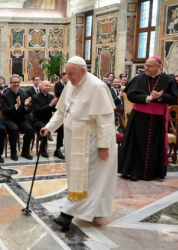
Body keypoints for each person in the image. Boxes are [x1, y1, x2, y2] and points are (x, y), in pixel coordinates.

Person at [40, 56, 117, 229]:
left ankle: (67, 213)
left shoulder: (97, 86)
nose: (68, 77)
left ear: (83, 71)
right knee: (77, 177)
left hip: (91, 141)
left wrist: (104, 146)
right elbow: (61, 112)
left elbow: (105, 120)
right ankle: (94, 212)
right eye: (67, 74)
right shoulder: (70, 85)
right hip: (73, 139)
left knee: (89, 178)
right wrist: (49, 127)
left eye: (71, 74)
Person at [118, 56, 178, 181]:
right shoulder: (138, 78)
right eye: (145, 65)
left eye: (149, 66)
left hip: (157, 119)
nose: (146, 68)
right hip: (139, 117)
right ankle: (134, 171)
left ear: (158, 67)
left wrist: (160, 96)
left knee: (155, 145)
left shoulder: (168, 79)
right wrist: (148, 98)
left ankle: (153, 172)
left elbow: (174, 98)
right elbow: (131, 96)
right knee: (136, 144)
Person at [0, 74, 34, 161]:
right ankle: (13, 153)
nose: (16, 84)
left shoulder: (24, 94)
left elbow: (28, 111)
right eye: (14, 82)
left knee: (29, 129)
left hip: (21, 119)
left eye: (17, 82)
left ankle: (25, 152)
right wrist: (16, 106)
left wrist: (26, 106)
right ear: (10, 83)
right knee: (14, 129)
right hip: (9, 119)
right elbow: (5, 111)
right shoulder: (4, 95)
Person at [31, 80, 58, 158]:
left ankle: (58, 149)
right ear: (41, 86)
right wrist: (50, 105)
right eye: (46, 85)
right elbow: (37, 111)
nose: (48, 87)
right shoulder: (35, 97)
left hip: (48, 120)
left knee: (61, 127)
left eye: (49, 86)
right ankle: (42, 149)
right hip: (37, 120)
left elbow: (53, 110)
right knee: (45, 127)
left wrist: (57, 105)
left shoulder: (51, 96)